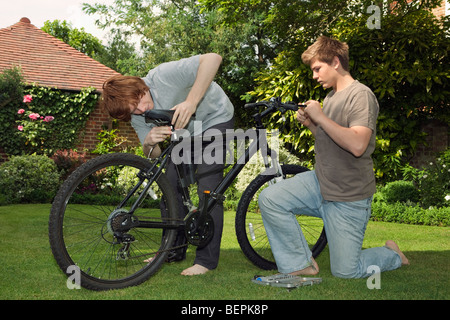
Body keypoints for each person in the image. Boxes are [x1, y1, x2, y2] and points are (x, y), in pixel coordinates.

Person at [258, 36, 409, 279]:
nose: (315, 75)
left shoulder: (361, 95)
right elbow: (330, 138)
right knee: (271, 198)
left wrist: (319, 117)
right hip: (320, 184)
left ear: (336, 62)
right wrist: (311, 123)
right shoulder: (330, 97)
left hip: (348, 197)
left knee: (346, 272)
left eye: (318, 68)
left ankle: (391, 254)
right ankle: (300, 263)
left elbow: (358, 145)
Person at [101, 53, 234, 276]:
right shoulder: (136, 114)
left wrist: (191, 102)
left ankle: (205, 261)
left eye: (139, 102)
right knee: (169, 186)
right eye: (133, 111)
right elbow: (153, 154)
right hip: (185, 136)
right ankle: (171, 250)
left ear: (141, 87)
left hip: (215, 119)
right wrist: (149, 142)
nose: (141, 111)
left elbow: (213, 58)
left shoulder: (164, 76)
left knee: (208, 190)